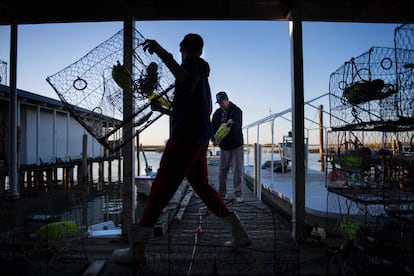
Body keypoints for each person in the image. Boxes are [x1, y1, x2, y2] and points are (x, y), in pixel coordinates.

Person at [112, 34, 251, 267]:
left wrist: (159, 51)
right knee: (204, 188)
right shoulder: (203, 76)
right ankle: (239, 233)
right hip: (198, 140)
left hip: (185, 139)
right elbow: (189, 108)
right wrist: (164, 110)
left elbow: (184, 79)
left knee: (159, 190)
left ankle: (137, 250)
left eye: (179, 51)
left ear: (182, 49)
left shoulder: (191, 64)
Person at [211, 91, 244, 203]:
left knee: (237, 171)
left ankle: (238, 194)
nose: (221, 105)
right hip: (224, 147)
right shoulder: (216, 114)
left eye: (222, 102)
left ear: (227, 99)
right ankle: (222, 194)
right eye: (219, 103)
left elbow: (238, 126)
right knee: (222, 172)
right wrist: (213, 139)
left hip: (236, 145)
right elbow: (212, 129)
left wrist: (232, 124)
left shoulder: (237, 111)